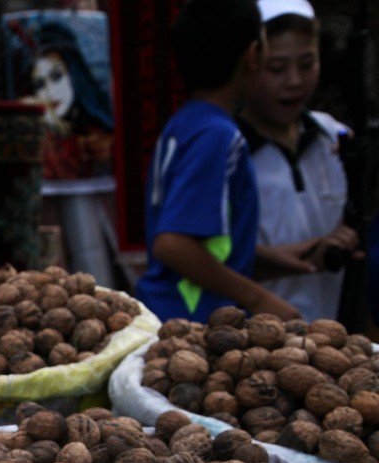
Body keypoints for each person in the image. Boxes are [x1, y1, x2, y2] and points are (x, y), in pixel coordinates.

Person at [136, 0, 301, 322]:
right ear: (253, 56)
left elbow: (208, 245)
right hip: (193, 323)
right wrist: (260, 299)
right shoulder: (219, 136)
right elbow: (172, 244)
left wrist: (279, 259)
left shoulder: (184, 123)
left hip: (170, 314)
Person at [238, 0, 361, 322]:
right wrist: (307, 254)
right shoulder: (229, 152)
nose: (294, 81)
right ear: (248, 63)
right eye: (276, 68)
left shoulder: (335, 138)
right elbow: (204, 258)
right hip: (260, 340)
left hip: (337, 332)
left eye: (307, 64)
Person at [19, 20, 115, 181]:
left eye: (56, 77)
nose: (49, 93)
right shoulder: (41, 137)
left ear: (74, 74)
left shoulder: (101, 136)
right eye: (40, 84)